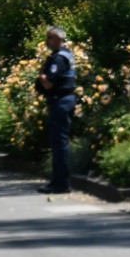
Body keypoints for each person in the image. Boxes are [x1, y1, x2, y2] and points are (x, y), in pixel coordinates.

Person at [36, 26, 76, 194]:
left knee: (59, 143)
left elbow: (49, 83)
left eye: (50, 37)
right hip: (62, 101)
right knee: (58, 142)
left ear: (59, 38)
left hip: (61, 101)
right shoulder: (64, 54)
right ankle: (57, 181)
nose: (47, 41)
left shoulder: (59, 58)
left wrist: (41, 75)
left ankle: (61, 183)